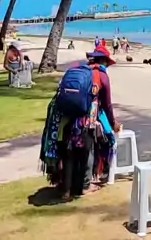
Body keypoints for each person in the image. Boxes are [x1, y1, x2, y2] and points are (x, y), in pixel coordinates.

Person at [40, 46, 119, 201]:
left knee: (68, 152)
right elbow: (107, 104)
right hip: (85, 119)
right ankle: (84, 186)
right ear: (104, 61)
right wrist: (112, 122)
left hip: (66, 117)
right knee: (87, 152)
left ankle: (66, 190)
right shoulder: (101, 75)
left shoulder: (80, 69)